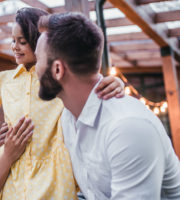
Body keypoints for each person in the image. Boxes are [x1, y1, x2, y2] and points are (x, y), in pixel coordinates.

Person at [0, 7, 125, 200]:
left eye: (22, 42)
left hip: (54, 172)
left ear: (38, 42)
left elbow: (85, 86)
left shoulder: (53, 76)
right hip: (15, 173)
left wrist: (116, 82)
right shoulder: (4, 80)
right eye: (13, 40)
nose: (15, 47)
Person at [35, 12, 180, 199]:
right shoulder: (69, 118)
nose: (35, 69)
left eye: (38, 59)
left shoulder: (127, 128)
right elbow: (92, 194)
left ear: (57, 69)